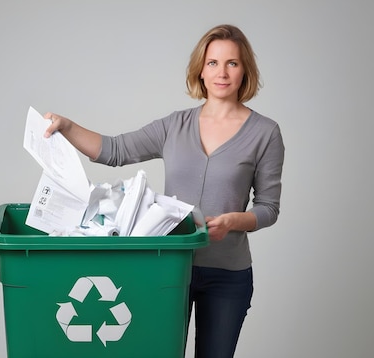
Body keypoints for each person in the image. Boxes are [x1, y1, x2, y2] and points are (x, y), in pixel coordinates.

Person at [43, 24, 284, 358]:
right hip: (169, 268)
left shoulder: (265, 133)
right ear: (201, 70)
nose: (222, 72)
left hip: (227, 274)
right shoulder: (175, 126)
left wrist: (233, 221)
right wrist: (67, 127)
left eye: (233, 63)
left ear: (245, 71)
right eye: (213, 63)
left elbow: (269, 207)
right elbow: (115, 150)